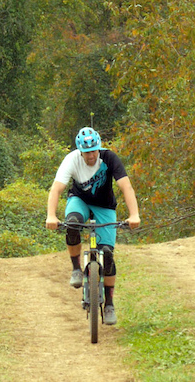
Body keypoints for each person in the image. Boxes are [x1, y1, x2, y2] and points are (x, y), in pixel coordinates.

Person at [45, 127, 141, 327]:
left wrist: (134, 215)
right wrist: (51, 216)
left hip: (105, 206)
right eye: (87, 152)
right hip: (79, 200)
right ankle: (76, 270)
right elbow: (56, 189)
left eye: (94, 151)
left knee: (107, 254)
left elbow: (126, 186)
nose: (91, 155)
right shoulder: (71, 160)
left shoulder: (109, 158)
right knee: (72, 223)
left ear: (99, 147)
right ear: (80, 150)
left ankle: (110, 304)